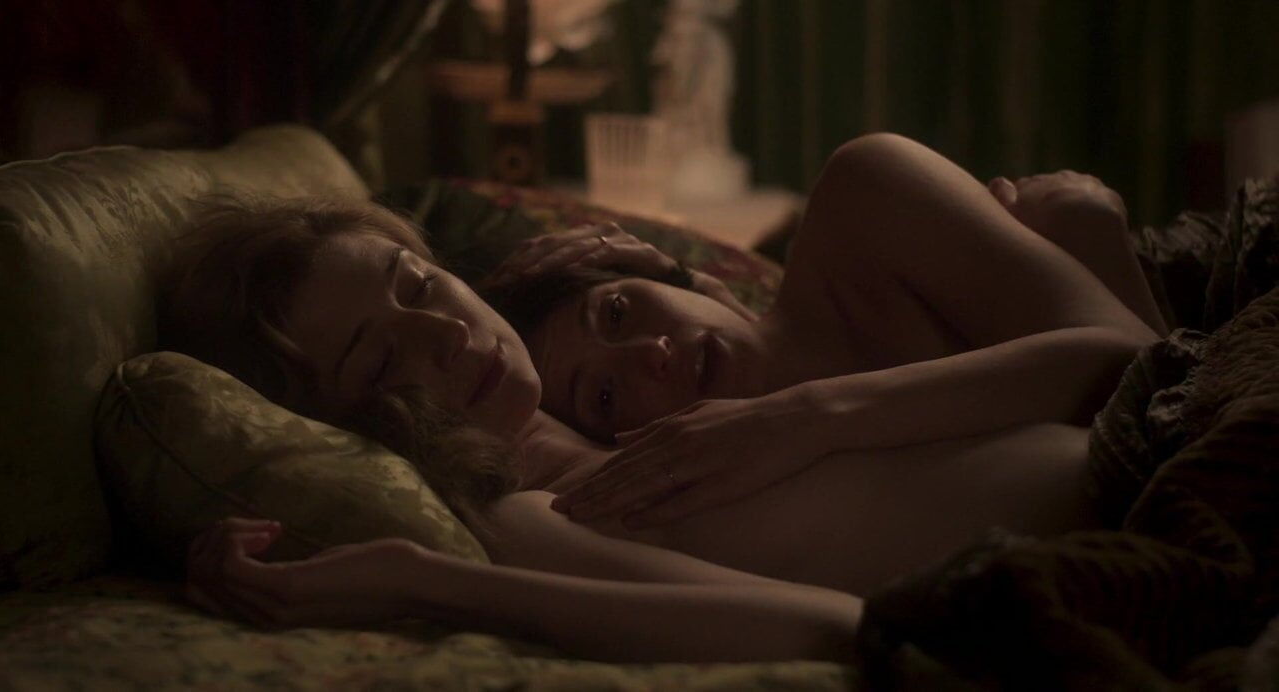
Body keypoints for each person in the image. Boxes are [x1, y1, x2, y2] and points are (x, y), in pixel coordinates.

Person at [163, 133, 1158, 663]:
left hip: (1163, 447)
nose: (446, 334)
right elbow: (830, 629)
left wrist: (800, 419)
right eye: (382, 360)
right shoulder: (534, 511)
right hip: (1143, 521)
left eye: (420, 286)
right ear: (354, 421)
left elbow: (1144, 365)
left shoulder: (618, 415)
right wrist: (421, 577)